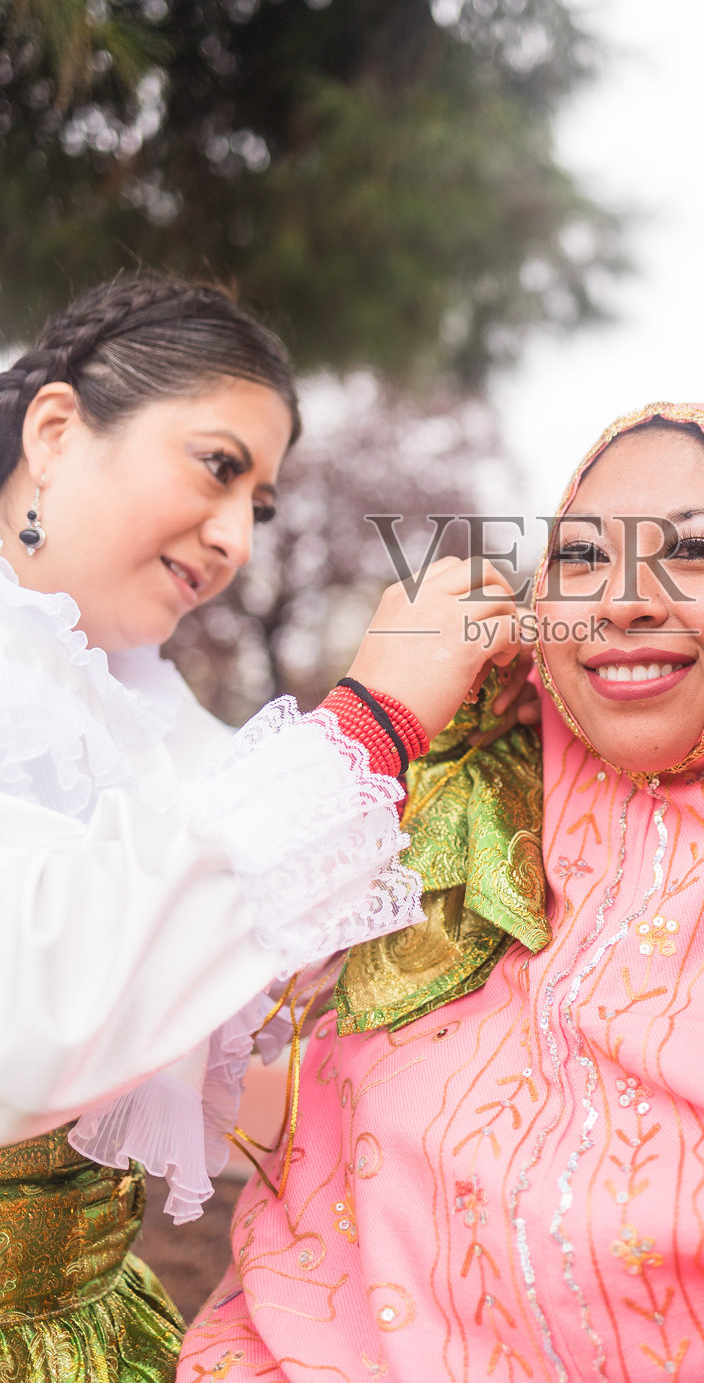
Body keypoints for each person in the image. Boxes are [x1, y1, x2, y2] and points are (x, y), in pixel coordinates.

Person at [178, 401, 704, 1382]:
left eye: (696, 547)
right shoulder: (449, 878)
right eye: (577, 560)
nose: (621, 600)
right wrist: (382, 719)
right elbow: (146, 1001)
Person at [0, 272, 527, 1382]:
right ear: (55, 430)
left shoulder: (149, 719)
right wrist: (372, 720)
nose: (236, 537)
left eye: (262, 504)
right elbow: (36, 1003)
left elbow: (262, 1015)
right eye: (218, 465)